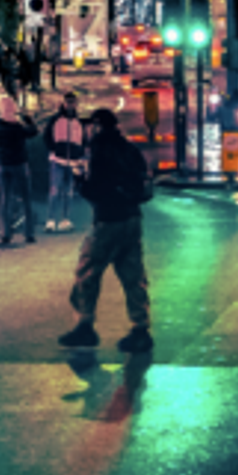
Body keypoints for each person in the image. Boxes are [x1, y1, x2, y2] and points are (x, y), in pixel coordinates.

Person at [56, 106, 154, 353]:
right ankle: (140, 328)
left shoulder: (99, 151)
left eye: (92, 126)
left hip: (108, 220)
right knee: (133, 275)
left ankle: (84, 325)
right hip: (132, 218)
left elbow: (95, 189)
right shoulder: (130, 149)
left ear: (98, 126)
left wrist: (80, 180)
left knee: (87, 271)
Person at [0, 94, 38, 245]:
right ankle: (28, 233)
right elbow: (33, 131)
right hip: (19, 163)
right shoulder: (18, 127)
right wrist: (28, 118)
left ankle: (5, 234)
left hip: (2, 164)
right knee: (26, 198)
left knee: (5, 199)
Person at [42, 90, 91, 232]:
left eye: (72, 103)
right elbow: (47, 137)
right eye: (68, 102)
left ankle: (65, 219)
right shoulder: (55, 120)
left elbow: (83, 140)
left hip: (73, 162)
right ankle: (51, 220)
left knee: (68, 192)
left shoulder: (78, 122)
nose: (70, 105)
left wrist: (80, 157)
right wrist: (54, 150)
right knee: (55, 191)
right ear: (64, 103)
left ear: (75, 104)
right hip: (57, 160)